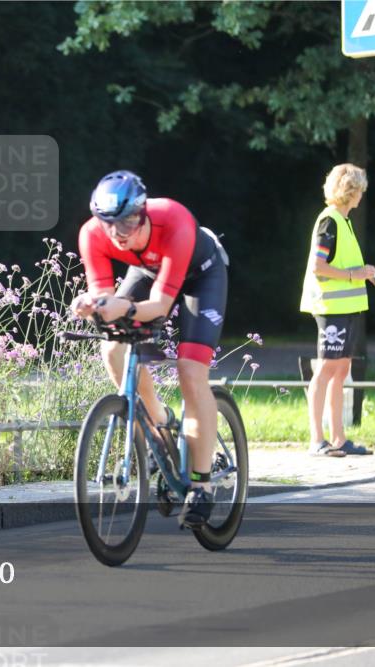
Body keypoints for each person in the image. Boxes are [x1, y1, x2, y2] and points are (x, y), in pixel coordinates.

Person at [70, 170, 229, 528]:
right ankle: (157, 421)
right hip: (148, 270)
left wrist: (122, 308)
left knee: (190, 371)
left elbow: (159, 305)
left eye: (127, 224)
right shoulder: (92, 234)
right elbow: (102, 292)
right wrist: (90, 304)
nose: (117, 234)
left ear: (143, 213)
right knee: (112, 347)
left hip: (201, 275)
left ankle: (201, 486)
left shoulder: (174, 220)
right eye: (108, 224)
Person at [299, 163, 375, 457]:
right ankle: (317, 440)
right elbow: (319, 267)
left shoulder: (343, 221)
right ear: (351, 191)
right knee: (326, 370)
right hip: (331, 308)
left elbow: (347, 266)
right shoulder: (330, 222)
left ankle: (338, 439)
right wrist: (357, 273)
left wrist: (369, 273)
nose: (362, 195)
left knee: (341, 371)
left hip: (346, 308)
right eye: (360, 189)